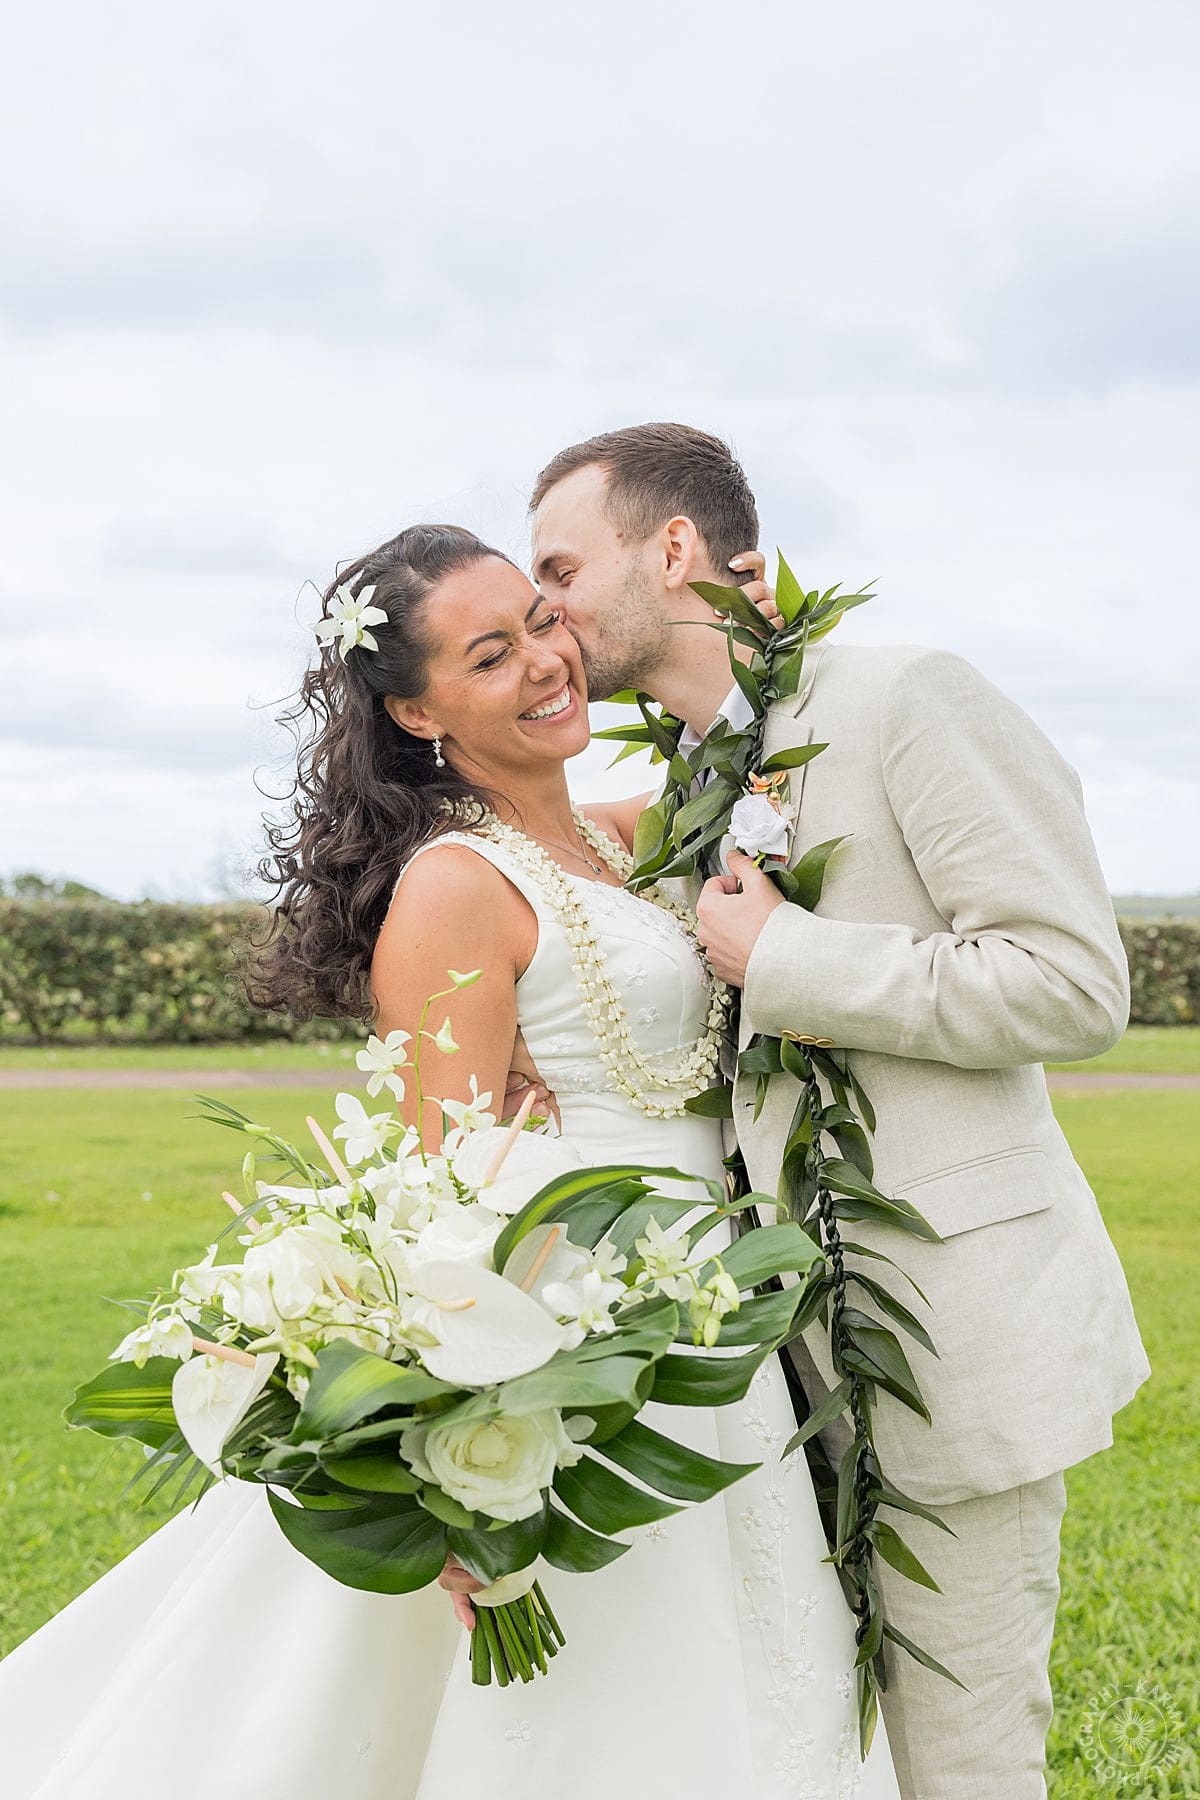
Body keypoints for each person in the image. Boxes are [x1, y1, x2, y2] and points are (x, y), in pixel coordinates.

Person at [0, 521, 901, 1800]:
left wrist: (740, 624)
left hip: (716, 1320)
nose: (548, 661)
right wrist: (461, 1471)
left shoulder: (631, 839)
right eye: (493, 655)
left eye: (542, 619)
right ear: (419, 709)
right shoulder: (454, 888)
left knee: (757, 1670)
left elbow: (759, 767)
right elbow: (434, 1203)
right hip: (578, 1332)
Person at [528, 421, 1151, 1800]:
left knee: (966, 1757)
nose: (546, 607)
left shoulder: (906, 696)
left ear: (672, 547)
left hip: (956, 1335)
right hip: (779, 1370)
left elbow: (1072, 984)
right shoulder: (700, 778)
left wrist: (790, 961)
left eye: (561, 566)